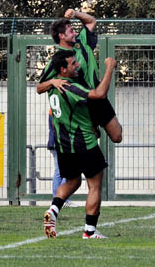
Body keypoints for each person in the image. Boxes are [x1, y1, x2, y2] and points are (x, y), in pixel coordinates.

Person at [42, 49, 116, 239]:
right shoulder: (69, 87)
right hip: (84, 144)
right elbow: (99, 94)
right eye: (73, 64)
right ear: (62, 70)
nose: (78, 66)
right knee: (94, 186)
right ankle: (89, 232)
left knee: (72, 182)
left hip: (64, 146)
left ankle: (53, 210)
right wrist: (109, 69)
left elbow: (39, 87)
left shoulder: (52, 86)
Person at [37, 9, 123, 144]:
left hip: (100, 98)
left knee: (117, 136)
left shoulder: (82, 41)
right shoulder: (58, 59)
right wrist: (53, 81)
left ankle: (96, 126)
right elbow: (39, 87)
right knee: (89, 142)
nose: (75, 32)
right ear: (61, 36)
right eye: (71, 31)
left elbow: (91, 21)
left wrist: (75, 14)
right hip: (82, 104)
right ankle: (92, 130)